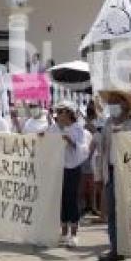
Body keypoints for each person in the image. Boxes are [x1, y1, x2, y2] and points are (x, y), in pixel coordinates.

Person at [97, 88, 131, 261]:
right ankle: (116, 249)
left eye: (115, 101)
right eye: (110, 102)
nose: (112, 105)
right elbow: (102, 149)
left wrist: (124, 136)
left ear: (125, 104)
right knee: (113, 213)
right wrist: (100, 175)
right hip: (111, 171)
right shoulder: (108, 123)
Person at [44, 101, 89, 248]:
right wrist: (40, 137)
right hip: (59, 168)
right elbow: (46, 141)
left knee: (72, 198)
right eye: (58, 112)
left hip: (73, 168)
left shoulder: (77, 129)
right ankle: (63, 232)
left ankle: (74, 234)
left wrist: (72, 142)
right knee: (61, 199)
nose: (59, 115)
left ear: (69, 113)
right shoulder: (54, 128)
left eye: (62, 111)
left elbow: (83, 149)